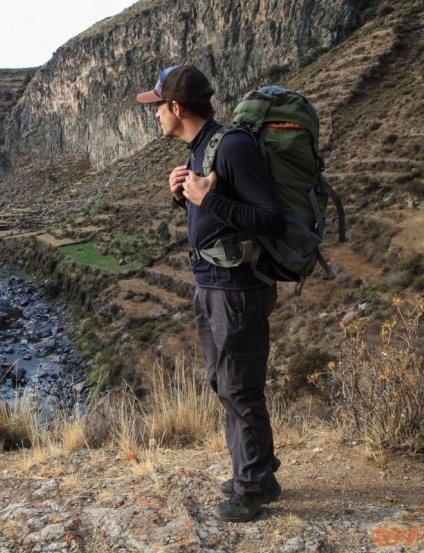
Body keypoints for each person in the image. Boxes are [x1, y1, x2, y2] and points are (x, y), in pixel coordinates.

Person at [137, 64, 287, 522]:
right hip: (213, 286)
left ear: (177, 107)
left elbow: (272, 218)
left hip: (236, 291)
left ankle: (252, 488)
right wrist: (183, 197)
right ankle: (259, 471)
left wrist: (208, 200)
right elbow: (217, 215)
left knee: (239, 388)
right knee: (227, 384)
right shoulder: (202, 148)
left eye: (158, 106)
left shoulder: (233, 147)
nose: (156, 114)